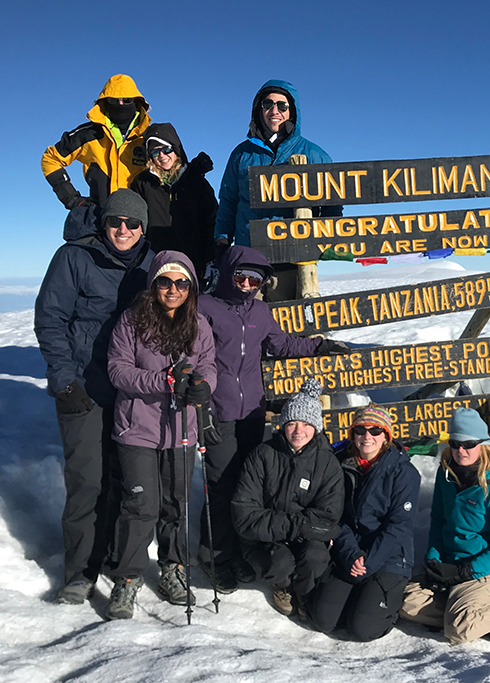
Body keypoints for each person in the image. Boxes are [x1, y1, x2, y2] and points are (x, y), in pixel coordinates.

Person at [195, 245, 350, 591]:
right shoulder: (205, 307)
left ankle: (238, 549)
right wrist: (200, 409)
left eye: (256, 279)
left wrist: (318, 346)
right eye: (242, 277)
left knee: (246, 485)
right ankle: (215, 556)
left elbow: (281, 345)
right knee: (220, 487)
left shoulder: (261, 312)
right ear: (228, 273)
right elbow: (192, 356)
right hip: (217, 414)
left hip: (251, 412)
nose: (248, 285)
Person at [34, 189, 155, 605]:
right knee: (87, 481)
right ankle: (80, 572)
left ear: (143, 228)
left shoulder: (150, 265)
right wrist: (64, 382)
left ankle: (118, 562)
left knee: (128, 483)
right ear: (103, 224)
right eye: (115, 222)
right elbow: (50, 320)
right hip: (83, 389)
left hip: (133, 394)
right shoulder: (74, 258)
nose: (123, 230)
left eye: (132, 224)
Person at [104, 250, 217, 619]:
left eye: (181, 282)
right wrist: (163, 381)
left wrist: (203, 387)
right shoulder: (132, 321)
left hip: (180, 428)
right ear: (154, 284)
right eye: (165, 281)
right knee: (140, 507)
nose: (173, 289)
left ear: (191, 287)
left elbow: (208, 368)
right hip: (138, 428)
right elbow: (118, 371)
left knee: (175, 505)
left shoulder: (198, 325)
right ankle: (127, 578)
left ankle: (174, 568)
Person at [399, 408, 490, 644]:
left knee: (459, 630)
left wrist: (465, 571)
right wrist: (434, 557)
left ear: (482, 444)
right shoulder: (445, 475)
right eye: (455, 444)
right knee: (405, 603)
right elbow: (439, 521)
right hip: (450, 564)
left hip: (482, 569)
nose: (461, 450)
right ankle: (466, 614)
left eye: (468, 444)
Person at [212, 79, 342, 299]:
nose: (275, 111)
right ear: (258, 109)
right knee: (248, 329)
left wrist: (321, 243)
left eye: (282, 106)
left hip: (292, 264)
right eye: (268, 104)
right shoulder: (242, 154)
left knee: (289, 328)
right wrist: (222, 241)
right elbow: (228, 201)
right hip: (248, 264)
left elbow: (331, 208)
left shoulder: (314, 155)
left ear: (292, 112)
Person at [230, 379, 344, 616]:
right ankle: (283, 585)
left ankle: (304, 591)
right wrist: (295, 525)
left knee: (315, 557)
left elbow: (328, 516)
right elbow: (244, 512)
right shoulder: (263, 455)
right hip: (267, 537)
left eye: (305, 423)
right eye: (292, 423)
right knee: (279, 563)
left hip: (306, 536)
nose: (298, 431)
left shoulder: (327, 463)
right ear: (282, 425)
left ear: (316, 427)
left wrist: (300, 528)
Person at [308, 404, 421, 641]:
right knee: (324, 620)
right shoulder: (340, 464)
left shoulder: (403, 472)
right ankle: (358, 594)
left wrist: (369, 562)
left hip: (389, 556)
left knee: (363, 629)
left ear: (386, 436)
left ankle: (386, 602)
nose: (367, 436)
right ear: (353, 434)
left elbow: (399, 526)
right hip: (351, 550)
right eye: (360, 430)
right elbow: (336, 516)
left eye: (375, 430)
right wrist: (351, 554)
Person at [41, 74, 152, 210]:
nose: (120, 104)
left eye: (127, 99)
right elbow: (50, 159)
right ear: (105, 102)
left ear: (136, 102)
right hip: (99, 216)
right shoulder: (87, 134)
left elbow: (172, 169)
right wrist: (71, 198)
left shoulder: (149, 137)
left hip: (140, 222)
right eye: (113, 100)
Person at [130, 123, 217, 281]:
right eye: (155, 152)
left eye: (166, 149)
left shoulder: (196, 182)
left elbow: (211, 223)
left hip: (193, 263)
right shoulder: (142, 183)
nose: (162, 156)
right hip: (155, 263)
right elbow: (135, 224)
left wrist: (210, 260)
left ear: (176, 149)